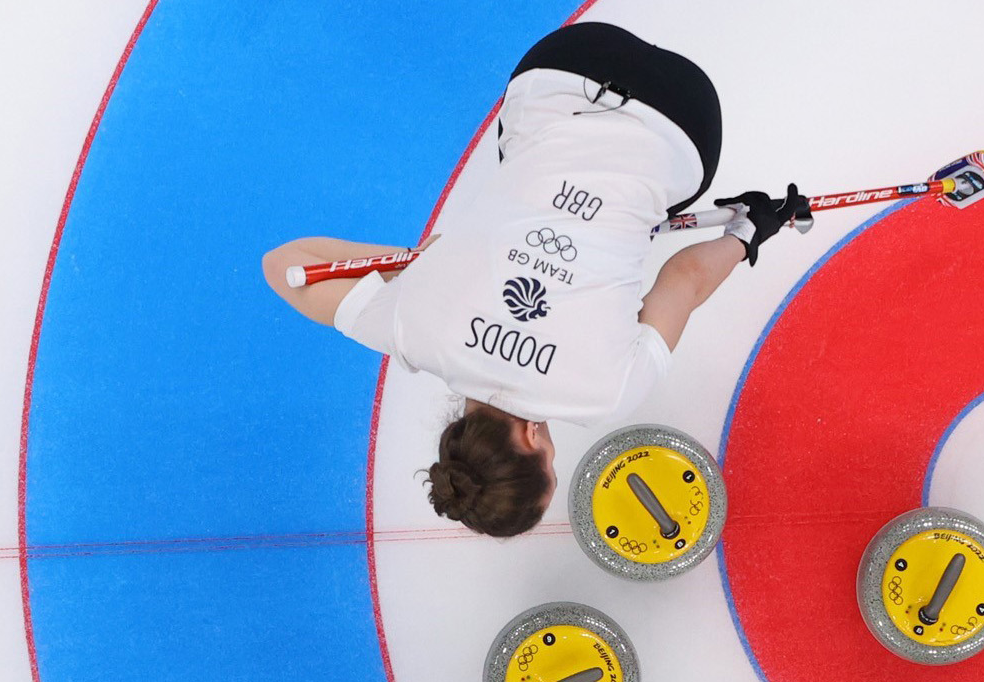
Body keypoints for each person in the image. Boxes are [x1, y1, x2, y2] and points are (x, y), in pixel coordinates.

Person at [260, 21, 807, 537]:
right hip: (567, 62)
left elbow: (685, 278)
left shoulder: (604, 397)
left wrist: (748, 233)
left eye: (547, 459)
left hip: (684, 117)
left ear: (532, 437)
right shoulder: (410, 333)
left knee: (653, 196)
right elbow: (285, 263)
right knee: (522, 156)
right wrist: (419, 263)